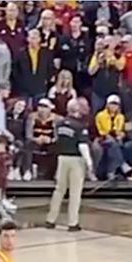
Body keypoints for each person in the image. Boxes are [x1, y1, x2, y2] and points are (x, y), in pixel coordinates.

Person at [43, 98, 92, 231]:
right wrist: (89, 163)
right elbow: (82, 146)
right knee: (75, 192)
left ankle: (50, 219)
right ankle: (72, 222)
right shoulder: (80, 126)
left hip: (62, 158)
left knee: (59, 190)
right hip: (75, 160)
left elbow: (56, 139)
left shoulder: (59, 124)